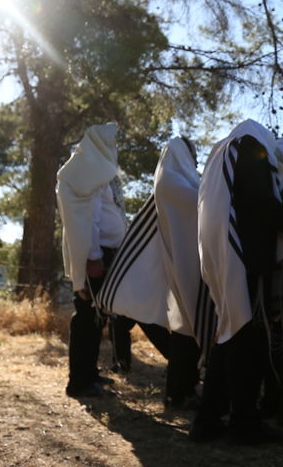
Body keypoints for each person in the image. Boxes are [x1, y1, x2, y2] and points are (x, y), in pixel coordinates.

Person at [191, 120, 283, 445]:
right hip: (243, 258)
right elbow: (261, 204)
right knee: (245, 341)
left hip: (224, 254)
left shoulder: (224, 151)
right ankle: (243, 422)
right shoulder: (251, 148)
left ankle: (208, 420)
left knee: (230, 334)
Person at [95, 137, 206, 407]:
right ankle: (178, 394)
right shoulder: (173, 185)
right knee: (184, 332)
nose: (194, 160)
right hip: (181, 271)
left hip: (183, 268)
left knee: (186, 332)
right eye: (191, 154)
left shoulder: (181, 184)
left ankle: (183, 388)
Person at [56, 122, 127, 399]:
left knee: (97, 317)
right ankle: (79, 382)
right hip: (94, 255)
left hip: (105, 252)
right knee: (87, 316)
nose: (115, 147)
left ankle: (90, 374)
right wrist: (94, 258)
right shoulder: (88, 171)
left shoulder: (98, 170)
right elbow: (89, 219)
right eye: (112, 142)